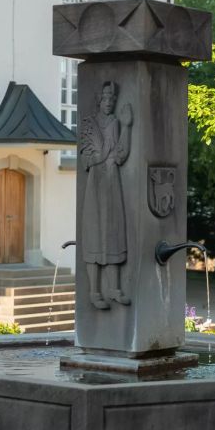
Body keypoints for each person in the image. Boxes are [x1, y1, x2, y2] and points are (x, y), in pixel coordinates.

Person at [79, 81, 132, 310]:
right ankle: (94, 292)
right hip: (95, 184)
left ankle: (115, 289)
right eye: (106, 99)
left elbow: (121, 154)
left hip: (112, 182)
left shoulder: (114, 123)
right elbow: (86, 159)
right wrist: (98, 157)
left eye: (112, 99)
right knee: (94, 234)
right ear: (99, 101)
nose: (109, 103)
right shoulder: (88, 124)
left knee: (113, 233)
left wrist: (127, 127)